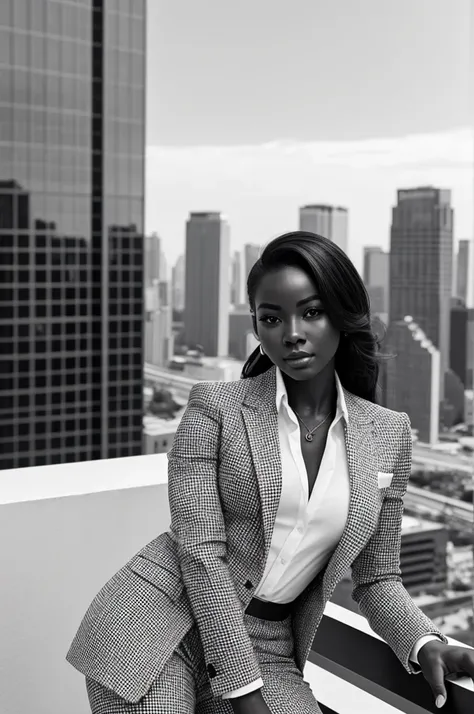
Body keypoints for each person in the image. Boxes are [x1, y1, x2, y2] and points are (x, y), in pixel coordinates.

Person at [66, 231, 474, 713]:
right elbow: (200, 555)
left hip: (269, 645)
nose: (292, 332)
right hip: (157, 626)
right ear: (257, 327)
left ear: (342, 317)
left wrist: (426, 643)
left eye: (312, 312)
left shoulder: (389, 434)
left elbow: (376, 576)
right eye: (272, 318)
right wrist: (243, 691)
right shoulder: (213, 409)